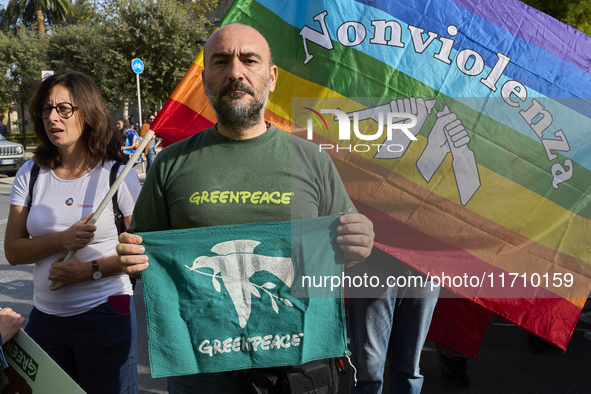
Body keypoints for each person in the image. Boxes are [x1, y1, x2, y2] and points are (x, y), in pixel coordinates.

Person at [117, 23, 374, 393]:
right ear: (205, 78)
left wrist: (358, 246)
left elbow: (346, 254)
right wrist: (130, 258)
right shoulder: (170, 164)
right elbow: (146, 257)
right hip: (202, 374)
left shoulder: (313, 160)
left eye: (248, 60)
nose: (235, 72)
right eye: (221, 62)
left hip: (300, 370)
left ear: (271, 77)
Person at [4, 70, 141, 394]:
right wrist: (61, 240)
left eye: (64, 109)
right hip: (46, 319)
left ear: (88, 112)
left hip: (107, 313)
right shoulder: (30, 173)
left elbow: (141, 251)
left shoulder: (118, 175)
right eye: (47, 109)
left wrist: (87, 271)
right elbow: (12, 251)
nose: (53, 117)